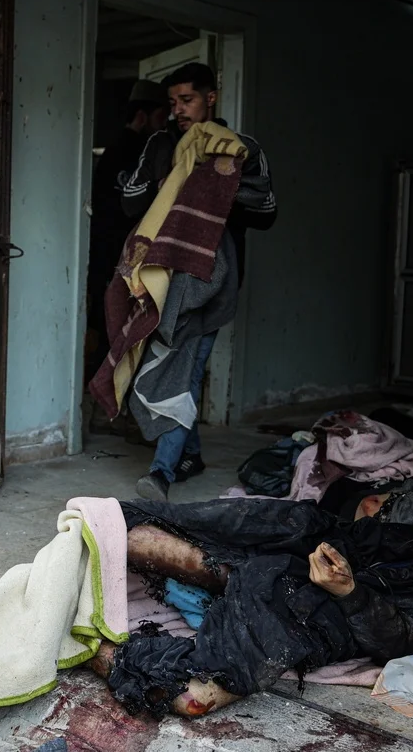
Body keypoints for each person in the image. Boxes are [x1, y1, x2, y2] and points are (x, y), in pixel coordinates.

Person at [90, 497, 413, 718]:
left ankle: (89, 650)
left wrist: (348, 591)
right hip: (326, 548)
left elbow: (409, 641)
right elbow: (375, 535)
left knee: (193, 694)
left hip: (334, 608)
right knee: (130, 523)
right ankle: (209, 567)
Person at [119, 63, 276, 500]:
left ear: (210, 97)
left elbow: (267, 211)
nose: (178, 110)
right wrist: (168, 185)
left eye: (186, 100)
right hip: (158, 278)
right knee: (161, 367)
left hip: (212, 279)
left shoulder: (240, 148)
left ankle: (161, 472)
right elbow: (129, 203)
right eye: (172, 102)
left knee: (185, 369)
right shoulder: (161, 143)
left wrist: (212, 192)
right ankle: (191, 455)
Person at [85, 80, 169, 432]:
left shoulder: (122, 151)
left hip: (116, 258)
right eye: (161, 115)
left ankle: (116, 412)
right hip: (117, 259)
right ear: (143, 115)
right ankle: (108, 411)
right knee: (117, 334)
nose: (166, 123)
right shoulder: (130, 153)